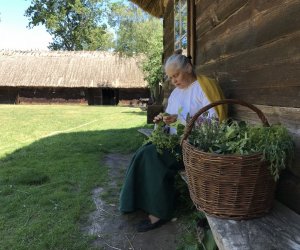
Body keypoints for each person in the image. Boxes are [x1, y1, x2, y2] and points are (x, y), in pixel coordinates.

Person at [119, 49, 227, 232]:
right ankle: (135, 200)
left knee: (154, 157)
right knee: (144, 151)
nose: (174, 80)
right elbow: (172, 118)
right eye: (170, 77)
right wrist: (164, 121)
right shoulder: (176, 93)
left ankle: (160, 212)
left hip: (196, 146)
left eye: (176, 75)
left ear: (189, 67)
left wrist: (179, 119)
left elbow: (214, 123)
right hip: (174, 141)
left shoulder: (205, 87)